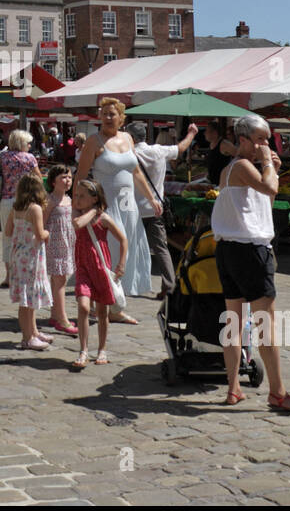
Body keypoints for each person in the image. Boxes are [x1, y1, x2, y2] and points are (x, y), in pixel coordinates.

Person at [211, 113, 290, 413]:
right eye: (261, 139)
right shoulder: (240, 166)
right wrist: (268, 166)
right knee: (264, 323)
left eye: (268, 139)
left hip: (231, 249)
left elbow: (261, 194)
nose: (266, 145)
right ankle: (277, 392)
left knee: (234, 321)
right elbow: (271, 190)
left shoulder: (235, 168)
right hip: (249, 250)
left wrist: (270, 167)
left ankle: (233, 388)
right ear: (244, 140)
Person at [75, 98, 157, 325]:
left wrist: (151, 199)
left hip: (128, 207)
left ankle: (115, 307)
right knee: (105, 256)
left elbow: (136, 172)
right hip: (105, 207)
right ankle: (104, 304)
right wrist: (78, 206)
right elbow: (81, 177)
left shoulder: (128, 138)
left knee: (125, 255)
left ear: (122, 117)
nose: (107, 118)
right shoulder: (94, 141)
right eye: (104, 114)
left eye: (112, 114)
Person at [128, 119, 198, 300]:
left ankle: (129, 283)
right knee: (161, 248)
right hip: (155, 208)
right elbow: (181, 148)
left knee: (129, 247)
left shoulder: (128, 153)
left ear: (131, 138)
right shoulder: (158, 150)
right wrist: (191, 133)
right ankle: (169, 284)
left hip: (132, 208)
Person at [70, 178, 126, 369]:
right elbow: (78, 224)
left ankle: (102, 349)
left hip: (100, 267)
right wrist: (93, 209)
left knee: (102, 312)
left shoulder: (104, 219)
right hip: (83, 267)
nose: (77, 199)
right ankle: (83, 349)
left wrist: (121, 263)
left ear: (94, 198)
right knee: (84, 307)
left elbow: (123, 240)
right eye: (76, 195)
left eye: (82, 196)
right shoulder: (77, 213)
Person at [6, 174, 54, 350]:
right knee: (27, 301)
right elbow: (41, 234)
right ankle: (27, 338)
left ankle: (33, 331)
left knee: (29, 297)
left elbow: (8, 232)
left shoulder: (16, 208)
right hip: (31, 257)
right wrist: (48, 233)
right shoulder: (35, 209)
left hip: (19, 254)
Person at [0, 130, 41, 288]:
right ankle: (24, 272)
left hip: (7, 200)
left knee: (7, 237)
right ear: (21, 143)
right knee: (26, 237)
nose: (29, 145)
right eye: (28, 143)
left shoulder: (2, 156)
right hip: (26, 202)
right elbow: (39, 178)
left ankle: (9, 276)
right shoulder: (30, 158)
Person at [43, 165, 78, 337]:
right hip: (54, 243)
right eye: (63, 178)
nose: (68, 181)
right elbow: (41, 222)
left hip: (67, 243)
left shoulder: (69, 199)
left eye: (70, 177)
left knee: (58, 279)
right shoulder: (50, 200)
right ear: (53, 182)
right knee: (60, 279)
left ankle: (55, 313)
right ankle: (62, 318)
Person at [203, 120, 236, 185]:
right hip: (213, 184)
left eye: (206, 130)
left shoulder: (224, 144)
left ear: (215, 133)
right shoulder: (211, 144)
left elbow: (240, 155)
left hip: (224, 185)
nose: (204, 133)